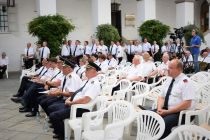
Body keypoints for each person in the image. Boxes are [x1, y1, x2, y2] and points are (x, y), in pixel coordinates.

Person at [48, 61, 101, 139]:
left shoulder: (94, 83)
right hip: (74, 104)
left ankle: (62, 136)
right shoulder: (87, 81)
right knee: (51, 108)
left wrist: (71, 102)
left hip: (80, 109)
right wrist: (69, 98)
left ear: (93, 71)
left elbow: (85, 100)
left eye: (87, 70)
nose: (85, 71)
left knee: (54, 116)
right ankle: (60, 130)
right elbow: (77, 92)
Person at [156, 59, 196, 138]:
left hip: (182, 113)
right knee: (147, 116)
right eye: (168, 67)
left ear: (179, 69)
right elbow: (161, 96)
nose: (168, 69)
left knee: (163, 123)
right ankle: (154, 136)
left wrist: (167, 112)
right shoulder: (169, 79)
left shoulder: (186, 82)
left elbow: (187, 104)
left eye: (171, 68)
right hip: (166, 109)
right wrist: (159, 108)